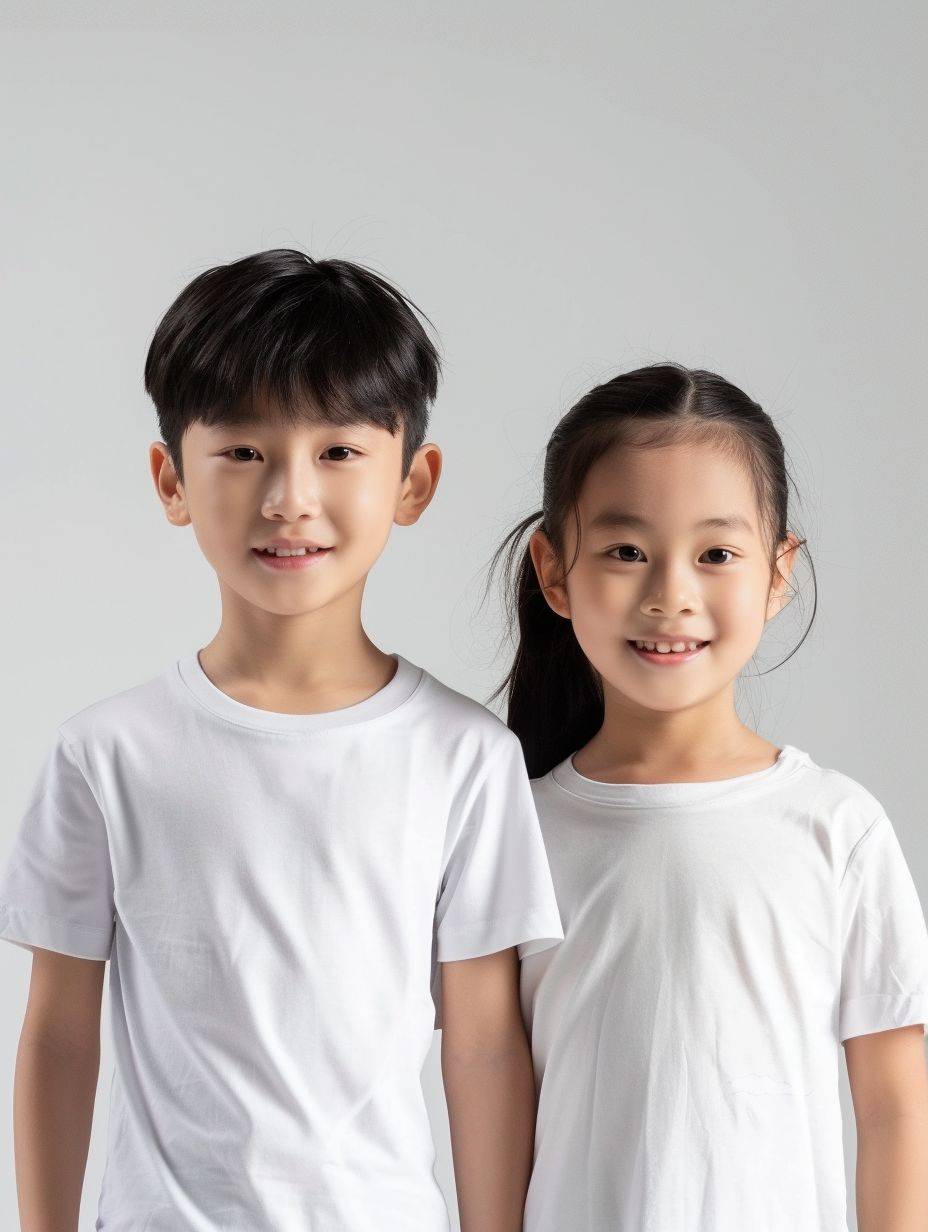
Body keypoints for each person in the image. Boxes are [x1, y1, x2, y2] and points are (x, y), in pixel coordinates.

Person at [0, 249, 563, 1232]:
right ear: (171, 478)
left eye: (338, 451)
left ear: (413, 481)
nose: (289, 495)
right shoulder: (109, 752)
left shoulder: (464, 755)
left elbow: (481, 1043)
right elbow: (57, 1031)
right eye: (243, 450)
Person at [490, 363, 928, 1231]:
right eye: (625, 551)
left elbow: (894, 1109)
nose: (670, 596)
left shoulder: (835, 828)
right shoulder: (513, 829)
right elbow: (493, 1095)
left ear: (777, 571)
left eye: (716, 554)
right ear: (554, 570)